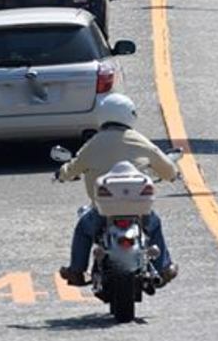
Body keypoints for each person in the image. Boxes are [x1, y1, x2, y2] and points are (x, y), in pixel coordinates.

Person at [56, 95, 179, 287]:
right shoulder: (140, 141)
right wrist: (172, 174)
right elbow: (167, 167)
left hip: (102, 211)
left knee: (83, 229)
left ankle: (76, 271)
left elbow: (73, 167)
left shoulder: (94, 144)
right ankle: (164, 267)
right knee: (153, 224)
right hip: (139, 212)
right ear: (130, 115)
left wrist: (62, 175)